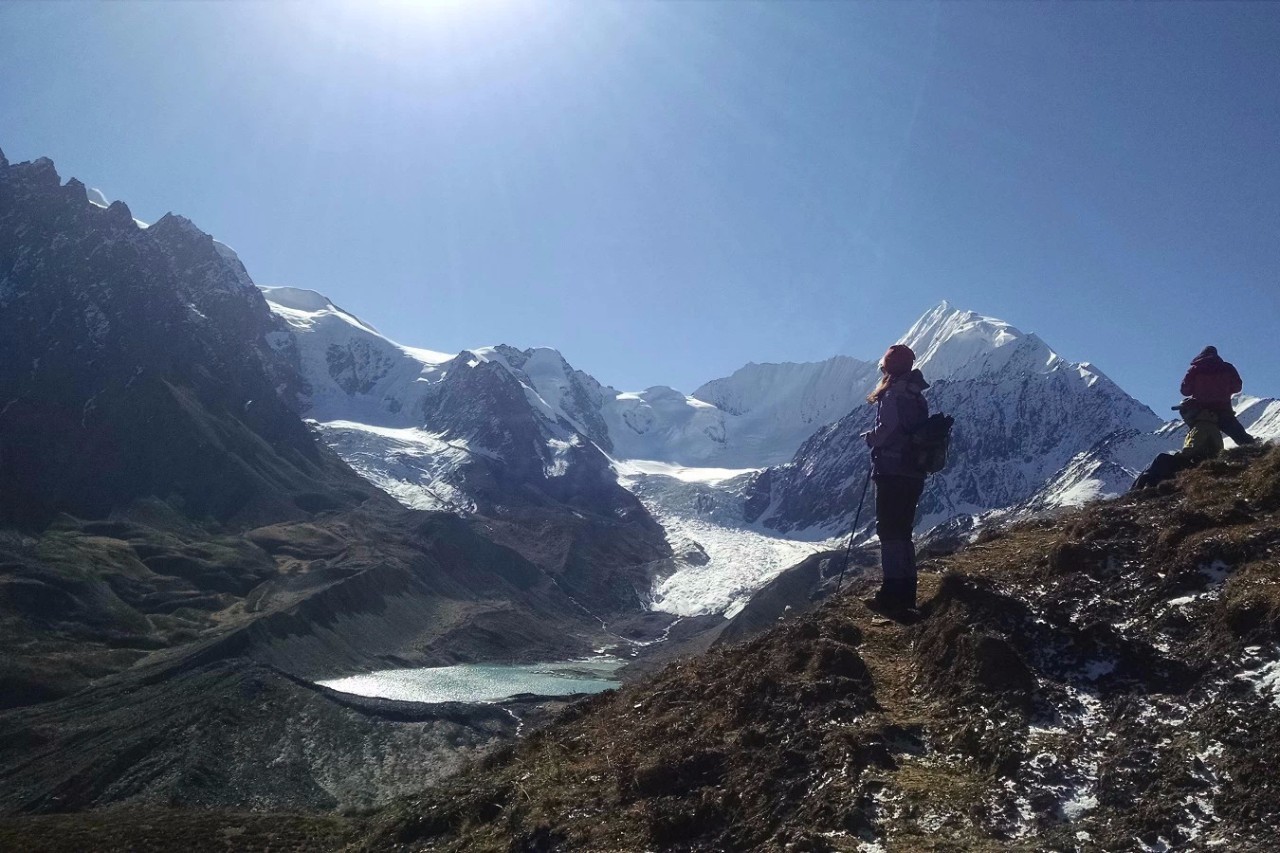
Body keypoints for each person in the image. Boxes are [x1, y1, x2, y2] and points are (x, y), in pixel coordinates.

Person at [861, 344, 929, 614]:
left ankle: (891, 594)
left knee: (888, 532)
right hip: (913, 471)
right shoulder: (916, 396)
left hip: (891, 470)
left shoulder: (892, 395)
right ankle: (906, 593)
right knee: (903, 532)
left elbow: (887, 431)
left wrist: (870, 438)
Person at [1131, 398, 1224, 490]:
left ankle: (1139, 490)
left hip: (1200, 464)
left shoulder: (1201, 426)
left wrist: (1179, 456)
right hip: (1205, 463)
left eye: (1184, 411)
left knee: (1161, 459)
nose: (1182, 416)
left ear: (1192, 412)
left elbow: (1190, 450)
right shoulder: (1206, 424)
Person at [1180, 346, 1255, 445]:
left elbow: (1185, 390)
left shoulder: (1194, 370)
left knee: (1202, 440)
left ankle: (1207, 458)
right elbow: (1237, 387)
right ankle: (1256, 450)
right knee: (1240, 436)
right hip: (1223, 409)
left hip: (1202, 413)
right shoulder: (1227, 368)